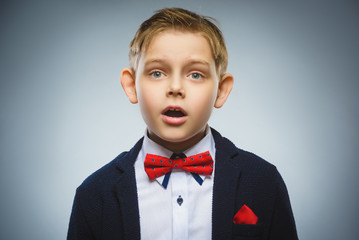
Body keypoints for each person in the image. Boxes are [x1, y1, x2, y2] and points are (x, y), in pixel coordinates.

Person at [67, 7, 298, 240]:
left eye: (195, 74)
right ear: (131, 85)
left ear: (221, 90)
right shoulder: (94, 195)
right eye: (157, 73)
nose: (175, 88)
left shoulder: (264, 182)